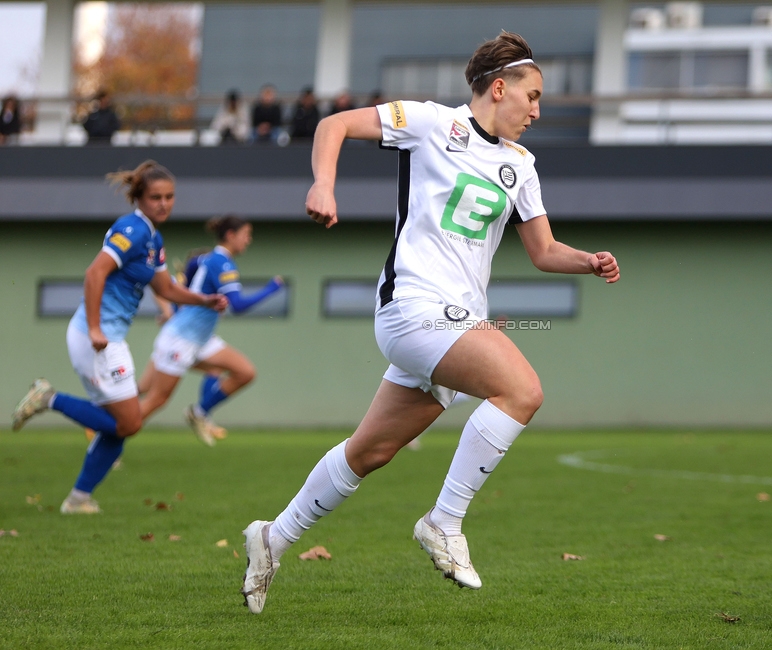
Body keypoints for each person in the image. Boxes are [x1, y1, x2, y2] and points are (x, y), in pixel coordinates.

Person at [239, 31, 620, 614]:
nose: (538, 111)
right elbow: (333, 125)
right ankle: (444, 522)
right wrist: (323, 182)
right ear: (500, 88)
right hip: (413, 307)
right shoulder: (428, 123)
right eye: (533, 96)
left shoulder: (521, 165)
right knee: (521, 389)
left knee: (369, 453)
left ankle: (273, 537)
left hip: (457, 319)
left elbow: (543, 251)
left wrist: (587, 262)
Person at [10, 160, 227, 514]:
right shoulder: (133, 229)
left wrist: (203, 299)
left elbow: (166, 287)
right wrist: (95, 327)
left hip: (109, 338)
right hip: (94, 336)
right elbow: (95, 273)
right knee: (129, 422)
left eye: (170, 197)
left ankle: (78, 500)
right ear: (139, 198)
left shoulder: (153, 237)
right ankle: (48, 398)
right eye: (156, 197)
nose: (164, 203)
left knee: (122, 427)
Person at [137, 215, 284, 446]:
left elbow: (185, 288)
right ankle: (109, 436)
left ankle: (199, 412)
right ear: (230, 235)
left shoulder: (204, 259)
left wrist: (173, 311)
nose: (249, 240)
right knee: (155, 398)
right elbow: (238, 305)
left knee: (245, 372)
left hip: (201, 340)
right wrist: (271, 289)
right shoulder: (221, 262)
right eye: (246, 235)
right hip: (181, 340)